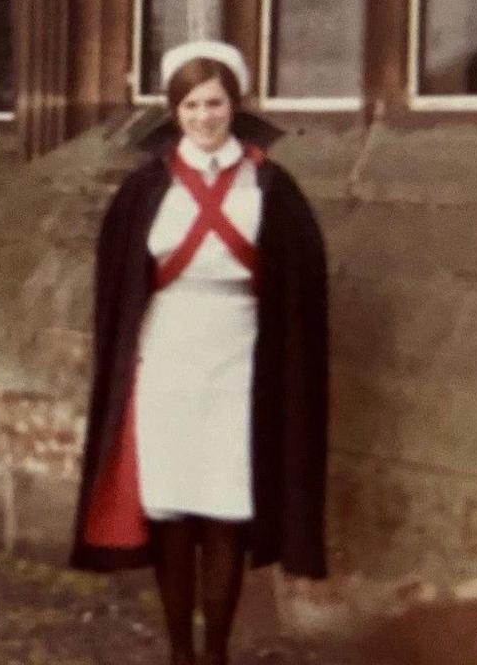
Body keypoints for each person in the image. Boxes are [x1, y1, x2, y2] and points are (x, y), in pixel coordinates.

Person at [69, 41, 329, 665]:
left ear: (234, 106)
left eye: (214, 103)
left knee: (226, 512)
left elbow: (300, 289)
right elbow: (119, 287)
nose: (203, 117)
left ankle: (215, 652)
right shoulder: (144, 188)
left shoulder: (272, 186)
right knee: (173, 512)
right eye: (190, 105)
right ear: (173, 110)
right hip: (167, 360)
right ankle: (180, 651)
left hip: (240, 361)